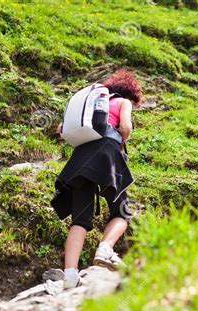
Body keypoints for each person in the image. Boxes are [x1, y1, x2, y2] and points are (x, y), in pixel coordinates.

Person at [50, 69, 143, 289]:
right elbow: (126, 127)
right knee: (122, 211)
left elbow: (61, 129)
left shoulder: (92, 104)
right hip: (107, 154)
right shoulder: (123, 102)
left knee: (80, 219)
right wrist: (123, 138)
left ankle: (70, 276)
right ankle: (105, 249)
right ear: (131, 94)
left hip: (80, 157)